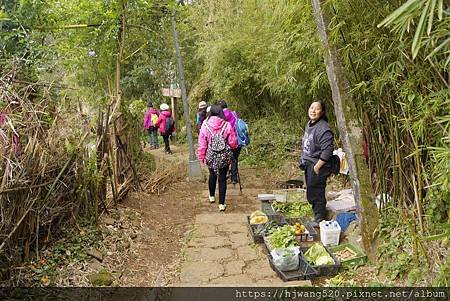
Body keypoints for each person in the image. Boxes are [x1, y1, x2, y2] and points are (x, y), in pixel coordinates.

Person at [299, 100, 334, 227]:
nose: (313, 110)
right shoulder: (309, 124)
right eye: (311, 107)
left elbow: (328, 150)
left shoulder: (324, 128)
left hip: (318, 165)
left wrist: (317, 166)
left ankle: (320, 218)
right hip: (309, 163)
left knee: (316, 191)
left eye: (317, 109)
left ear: (322, 112)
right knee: (311, 190)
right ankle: (316, 213)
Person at [197, 105, 238, 211]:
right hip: (224, 156)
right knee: (222, 178)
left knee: (212, 175)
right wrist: (232, 148)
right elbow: (233, 142)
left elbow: (202, 143)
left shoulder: (205, 125)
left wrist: (201, 156)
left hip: (210, 156)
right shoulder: (226, 125)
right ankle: (221, 204)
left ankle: (211, 196)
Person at [217, 100, 240, 184]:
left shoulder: (220, 117)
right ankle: (234, 178)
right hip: (236, 140)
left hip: (226, 141)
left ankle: (225, 175)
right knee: (234, 159)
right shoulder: (234, 114)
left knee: (225, 159)